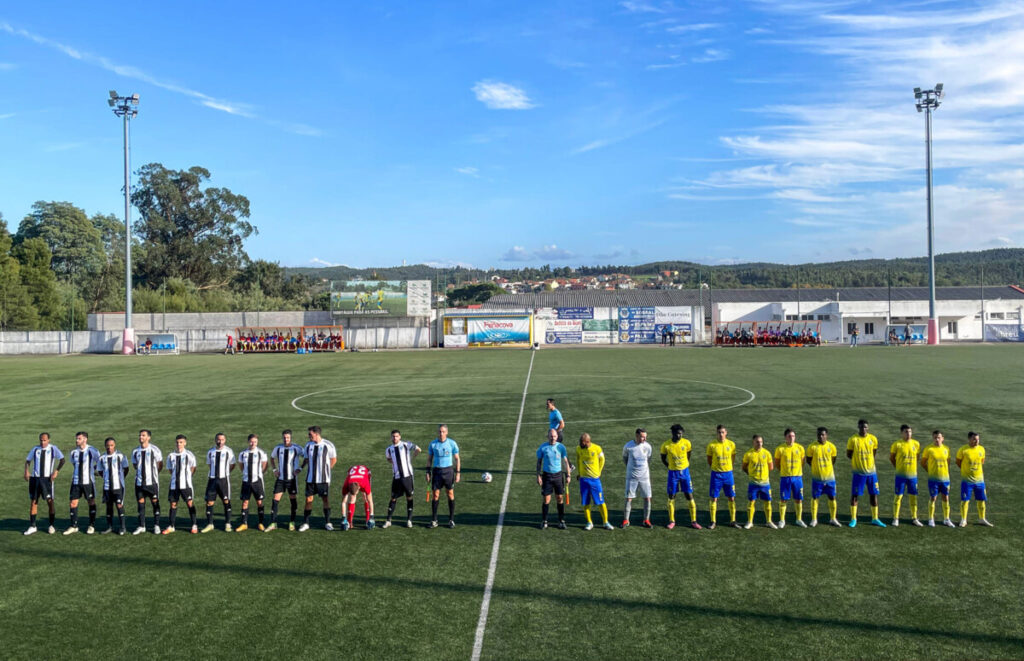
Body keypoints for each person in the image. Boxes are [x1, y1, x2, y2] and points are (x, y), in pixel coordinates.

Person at [660, 423, 701, 530]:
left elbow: (688, 454)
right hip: (673, 473)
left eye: (681, 434)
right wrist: (669, 466)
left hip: (685, 472)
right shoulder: (666, 445)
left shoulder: (686, 443)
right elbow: (663, 458)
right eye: (678, 434)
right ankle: (672, 521)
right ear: (673, 433)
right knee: (671, 496)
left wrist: (684, 465)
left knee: (689, 495)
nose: (680, 436)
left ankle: (694, 521)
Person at [24, 432, 65, 535]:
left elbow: (62, 460)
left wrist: (56, 471)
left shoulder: (53, 449)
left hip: (47, 479)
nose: (42, 442)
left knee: (50, 501)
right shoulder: (35, 449)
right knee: (34, 501)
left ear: (49, 440)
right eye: (41, 440)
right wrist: (26, 471)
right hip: (35, 479)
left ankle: (51, 525)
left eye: (45, 440)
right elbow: (28, 461)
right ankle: (33, 526)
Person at [847, 419, 885, 527]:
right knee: (855, 496)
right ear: (858, 427)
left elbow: (873, 453)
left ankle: (875, 518)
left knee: (874, 494)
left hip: (872, 473)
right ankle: (853, 519)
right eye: (861, 427)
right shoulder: (853, 439)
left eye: (865, 427)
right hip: (858, 473)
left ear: (868, 428)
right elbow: (849, 454)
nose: (863, 429)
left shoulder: (873, 439)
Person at [300, 425, 337, 531]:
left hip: (323, 479)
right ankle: (306, 523)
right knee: (308, 500)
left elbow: (333, 459)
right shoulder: (308, 445)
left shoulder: (328, 445)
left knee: (325, 499)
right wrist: (300, 468)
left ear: (316, 434)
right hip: (310, 478)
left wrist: (326, 470)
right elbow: (306, 459)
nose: (308, 436)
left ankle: (328, 522)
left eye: (310, 434)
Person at [267, 429, 305, 532]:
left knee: (292, 500)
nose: (285, 439)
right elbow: (271, 458)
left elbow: (306, 457)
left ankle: (292, 522)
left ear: (291, 438)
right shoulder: (278, 448)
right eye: (284, 437)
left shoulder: (297, 448)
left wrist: (300, 468)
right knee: (275, 500)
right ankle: (273, 523)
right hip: (280, 479)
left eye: (287, 437)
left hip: (291, 480)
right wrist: (275, 470)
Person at [64, 431, 100, 535]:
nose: (76, 440)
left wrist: (93, 470)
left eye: (79, 439)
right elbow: (74, 465)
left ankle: (91, 525)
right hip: (75, 482)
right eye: (76, 438)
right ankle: (73, 526)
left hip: (88, 482)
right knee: (73, 503)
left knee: (91, 502)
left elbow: (100, 462)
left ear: (85, 439)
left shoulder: (92, 450)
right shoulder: (73, 452)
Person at [383, 430, 420, 529]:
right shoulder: (389, 449)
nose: (395, 438)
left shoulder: (406, 444)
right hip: (397, 477)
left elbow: (418, 449)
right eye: (393, 436)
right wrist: (394, 463)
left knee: (409, 496)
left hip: (407, 476)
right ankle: (388, 520)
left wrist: (411, 458)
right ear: (391, 437)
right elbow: (388, 458)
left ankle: (409, 520)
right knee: (393, 497)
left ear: (400, 437)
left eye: (397, 436)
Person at [575, 432, 613, 530]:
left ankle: (605, 522)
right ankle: (589, 522)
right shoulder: (578, 449)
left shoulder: (597, 448)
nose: (580, 444)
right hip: (584, 480)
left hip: (594, 480)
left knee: (601, 502)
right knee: (585, 502)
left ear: (587, 442)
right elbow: (578, 460)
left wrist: (599, 471)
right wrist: (579, 473)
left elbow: (602, 460)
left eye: (582, 443)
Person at [536, 428, 572, 529]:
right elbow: (539, 462)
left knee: (560, 499)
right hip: (547, 476)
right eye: (551, 436)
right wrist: (538, 475)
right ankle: (544, 521)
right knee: (546, 499)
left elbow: (566, 462)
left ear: (557, 437)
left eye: (554, 436)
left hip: (558, 476)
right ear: (548, 436)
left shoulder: (561, 447)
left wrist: (568, 475)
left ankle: (561, 521)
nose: (553, 438)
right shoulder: (543, 447)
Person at [706, 424, 740, 529]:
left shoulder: (731, 444)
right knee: (714, 498)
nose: (721, 434)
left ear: (726, 433)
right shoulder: (712, 445)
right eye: (719, 432)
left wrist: (728, 468)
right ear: (716, 433)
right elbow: (709, 460)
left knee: (731, 497)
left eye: (722, 432)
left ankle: (733, 521)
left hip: (728, 474)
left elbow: (733, 458)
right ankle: (713, 521)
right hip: (716, 475)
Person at [426, 424, 460, 528]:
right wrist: (428, 472)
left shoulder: (452, 443)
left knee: (450, 494)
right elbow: (429, 459)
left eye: (443, 431)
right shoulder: (433, 444)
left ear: (447, 432)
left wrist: (458, 473)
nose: (441, 433)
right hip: (437, 472)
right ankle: (434, 520)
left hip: (448, 471)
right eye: (440, 431)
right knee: (435, 495)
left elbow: (457, 459)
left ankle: (451, 520)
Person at [201, 433, 236, 533]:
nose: (220, 442)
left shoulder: (229, 451)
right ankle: (210, 524)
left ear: (225, 440)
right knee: (209, 502)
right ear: (215, 440)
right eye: (218, 439)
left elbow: (232, 464)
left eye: (222, 439)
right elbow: (209, 464)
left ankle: (228, 524)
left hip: (224, 480)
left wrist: (225, 473)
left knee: (226, 501)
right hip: (212, 480)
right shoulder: (210, 452)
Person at [805, 427, 841, 526]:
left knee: (832, 497)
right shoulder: (812, 447)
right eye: (819, 435)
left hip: (830, 478)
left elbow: (833, 460)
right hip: (817, 479)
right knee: (815, 498)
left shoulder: (832, 447)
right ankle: (814, 519)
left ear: (826, 435)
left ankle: (833, 518)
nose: (821, 436)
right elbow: (809, 460)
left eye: (823, 434)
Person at [164, 434, 198, 534]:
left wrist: (187, 477)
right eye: (177, 442)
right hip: (174, 485)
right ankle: (171, 526)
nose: (179, 444)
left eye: (181, 442)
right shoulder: (171, 456)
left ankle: (194, 525)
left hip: (186, 485)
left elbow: (193, 468)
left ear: (185, 443)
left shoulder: (189, 455)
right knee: (173, 504)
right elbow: (170, 469)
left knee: (189, 503)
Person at [131, 429, 163, 535]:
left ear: (148, 437)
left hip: (152, 483)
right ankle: (142, 526)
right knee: (140, 503)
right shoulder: (135, 451)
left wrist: (153, 474)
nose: (141, 437)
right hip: (139, 483)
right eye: (140, 435)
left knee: (155, 503)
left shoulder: (155, 450)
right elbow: (135, 465)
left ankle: (157, 525)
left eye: (143, 435)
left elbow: (160, 464)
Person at [889, 424, 923, 527]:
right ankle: (895, 518)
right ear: (901, 433)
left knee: (913, 498)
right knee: (898, 497)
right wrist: (899, 467)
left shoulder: (916, 444)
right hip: (900, 476)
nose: (908, 434)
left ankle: (914, 518)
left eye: (910, 432)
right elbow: (892, 458)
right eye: (906, 432)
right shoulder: (897, 444)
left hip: (913, 476)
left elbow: (917, 457)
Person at [956, 431, 991, 527]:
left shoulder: (981, 449)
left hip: (979, 480)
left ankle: (982, 518)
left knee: (981, 500)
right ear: (969, 439)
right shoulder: (963, 450)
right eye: (974, 439)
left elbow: (982, 461)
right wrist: (965, 471)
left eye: (978, 439)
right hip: (967, 481)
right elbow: (958, 462)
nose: (977, 441)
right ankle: (963, 519)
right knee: (965, 500)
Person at [920, 430, 955, 528]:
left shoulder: (946, 449)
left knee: (946, 498)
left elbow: (948, 462)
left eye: (939, 437)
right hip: (933, 479)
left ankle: (946, 519)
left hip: (945, 479)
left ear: (942, 439)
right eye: (935, 437)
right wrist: (930, 471)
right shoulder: (929, 449)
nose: (937, 439)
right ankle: (931, 519)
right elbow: (923, 462)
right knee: (933, 498)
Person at [742, 435, 777, 529]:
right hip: (753, 483)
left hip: (765, 484)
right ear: (753, 442)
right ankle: (750, 522)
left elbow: (771, 467)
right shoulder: (748, 454)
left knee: (768, 503)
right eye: (757, 442)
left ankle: (769, 521)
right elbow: (744, 467)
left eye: (761, 442)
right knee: (751, 502)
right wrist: (751, 475)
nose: (760, 443)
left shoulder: (767, 453)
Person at [774, 428, 806, 528]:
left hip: (797, 478)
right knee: (783, 499)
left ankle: (799, 519)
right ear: (785, 437)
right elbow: (777, 463)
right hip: (785, 478)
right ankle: (782, 520)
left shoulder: (800, 448)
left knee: (798, 499)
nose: (791, 438)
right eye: (789, 436)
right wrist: (784, 471)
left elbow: (803, 462)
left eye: (793, 436)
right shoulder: (780, 449)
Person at [97, 437, 130, 535]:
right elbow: (100, 470)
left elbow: (126, 468)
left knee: (119, 505)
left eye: (111, 445)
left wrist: (120, 479)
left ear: (114, 445)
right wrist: (106, 478)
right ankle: (109, 527)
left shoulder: (120, 456)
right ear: (105, 446)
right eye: (107, 446)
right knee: (109, 506)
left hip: (118, 486)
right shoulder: (102, 458)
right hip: (107, 487)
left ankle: (123, 527)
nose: (109, 448)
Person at [622, 428, 653, 528]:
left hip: (645, 477)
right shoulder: (628, 446)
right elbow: (625, 458)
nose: (644, 439)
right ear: (636, 436)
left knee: (647, 498)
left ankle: (646, 520)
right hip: (632, 477)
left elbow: (648, 459)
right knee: (629, 498)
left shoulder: (648, 447)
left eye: (645, 437)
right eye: (642, 437)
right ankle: (626, 520)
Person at [237, 434, 268, 532]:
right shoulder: (243, 453)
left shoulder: (261, 453)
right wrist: (246, 474)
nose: (253, 443)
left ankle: (261, 523)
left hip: (257, 481)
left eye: (255, 441)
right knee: (245, 502)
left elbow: (265, 465)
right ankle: (244, 523)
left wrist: (259, 474)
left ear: (257, 442)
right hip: (246, 481)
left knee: (259, 502)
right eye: (251, 441)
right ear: (248, 441)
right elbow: (241, 466)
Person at [341, 464, 375, 530]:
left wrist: (372, 517)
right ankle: (349, 521)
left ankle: (368, 519)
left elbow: (370, 500)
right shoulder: (346, 484)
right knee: (352, 498)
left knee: (365, 497)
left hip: (366, 473)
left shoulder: (365, 483)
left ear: (359, 488)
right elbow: (343, 502)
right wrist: (343, 518)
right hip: (352, 473)